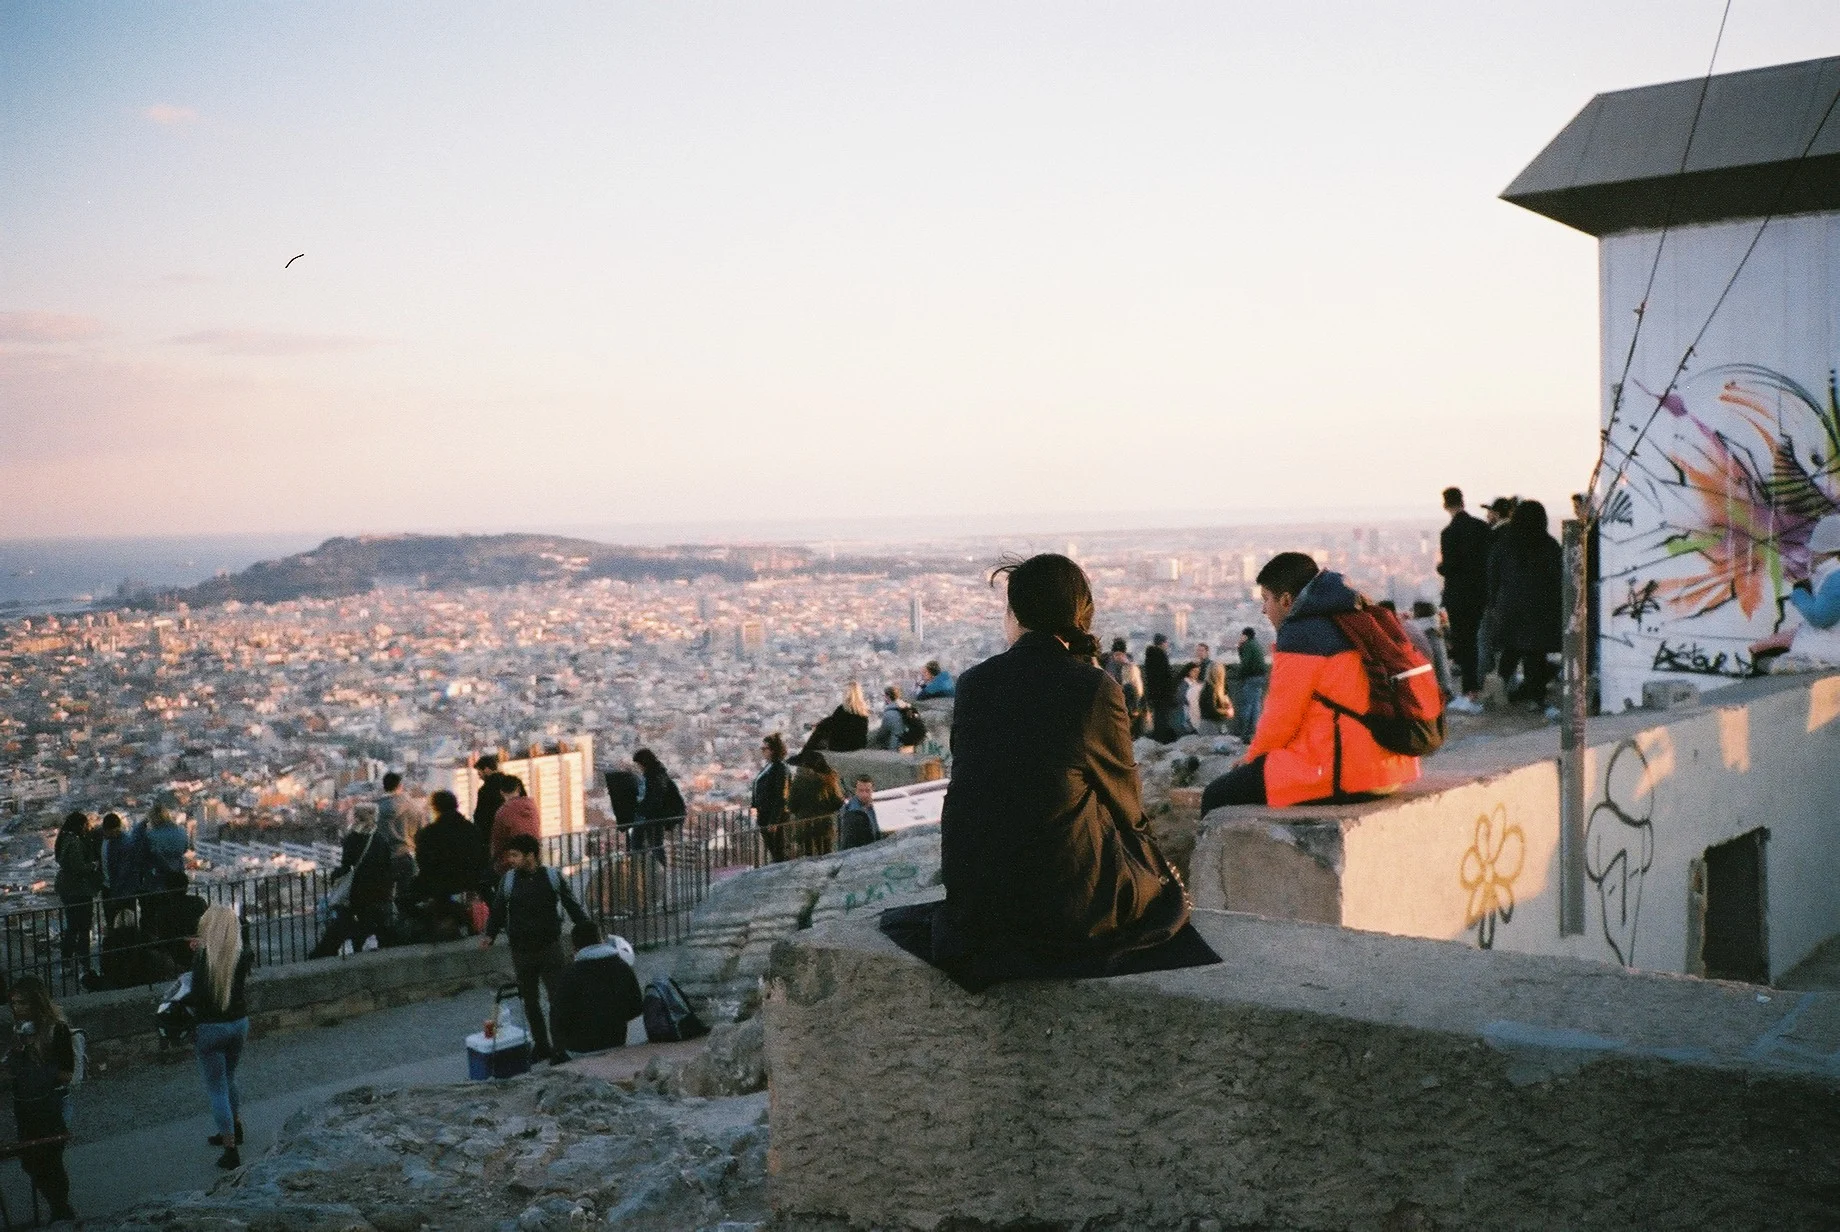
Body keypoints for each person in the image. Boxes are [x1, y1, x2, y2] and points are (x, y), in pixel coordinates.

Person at [928, 553, 1192, 988]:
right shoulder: (1093, 689)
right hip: (1067, 907)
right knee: (1161, 891)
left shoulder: (974, 683)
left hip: (977, 903)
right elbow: (1126, 802)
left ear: (1014, 615)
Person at [1201, 553, 1422, 810]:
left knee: (1216, 796)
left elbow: (1281, 718)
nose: (1263, 609)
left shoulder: (1301, 635)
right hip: (1392, 768)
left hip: (1346, 772)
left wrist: (1251, 759)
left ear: (1285, 600)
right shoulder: (1356, 617)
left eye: (1266, 599)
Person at [483, 833, 593, 1066]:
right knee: (530, 1002)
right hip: (522, 950)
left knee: (556, 999)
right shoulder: (509, 881)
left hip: (549, 947)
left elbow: (571, 904)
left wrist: (587, 931)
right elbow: (498, 910)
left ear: (530, 855)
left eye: (514, 855)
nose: (510, 860)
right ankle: (542, 1046)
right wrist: (489, 935)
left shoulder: (552, 877)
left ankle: (560, 1047)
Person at [184, 905, 254, 1168]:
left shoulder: (204, 959)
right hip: (238, 1023)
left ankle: (230, 1148)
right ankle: (236, 1127)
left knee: (217, 1088)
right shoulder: (242, 955)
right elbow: (236, 945)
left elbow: (197, 995)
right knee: (229, 1078)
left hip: (211, 1027)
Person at [5, 976, 76, 1221]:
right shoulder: (20, 1032)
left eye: (23, 1003)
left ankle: (61, 1209)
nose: (17, 1008)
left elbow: (67, 1073)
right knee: (29, 1160)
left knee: (50, 1160)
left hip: (52, 1104)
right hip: (27, 1105)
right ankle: (58, 1206)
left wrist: (36, 1065)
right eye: (14, 1003)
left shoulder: (57, 1029)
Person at [1487, 500, 1564, 709]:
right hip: (1540, 608)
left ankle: (1498, 687)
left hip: (1508, 607)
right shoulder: (1549, 545)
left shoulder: (1503, 545)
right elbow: (1558, 579)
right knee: (1534, 653)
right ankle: (1535, 698)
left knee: (1510, 649)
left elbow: (1493, 577)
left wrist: (1495, 604)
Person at [1750, 514, 1840, 665]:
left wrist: (1799, 594)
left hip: (1828, 649)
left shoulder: (1835, 577)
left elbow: (1820, 618)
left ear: (1824, 550)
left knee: (1764, 656)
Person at [309, 805, 395, 958]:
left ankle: (338, 948)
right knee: (369, 919)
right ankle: (369, 942)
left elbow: (346, 864)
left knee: (346, 918)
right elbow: (388, 864)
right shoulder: (381, 838)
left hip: (359, 888)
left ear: (356, 818)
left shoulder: (352, 838)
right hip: (379, 889)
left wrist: (335, 877)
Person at [1438, 487, 1493, 714]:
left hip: (1459, 596)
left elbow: (1450, 566)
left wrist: (1440, 567)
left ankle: (1470, 690)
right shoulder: (1481, 528)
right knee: (1478, 640)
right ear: (1463, 501)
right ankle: (1474, 688)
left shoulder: (1448, 533)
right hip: (1480, 593)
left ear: (1446, 506)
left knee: (1464, 643)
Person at [551, 922, 643, 1055]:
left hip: (580, 1048)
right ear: (600, 940)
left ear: (574, 946)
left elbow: (559, 1017)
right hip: (617, 1041)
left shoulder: (570, 975)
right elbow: (636, 1008)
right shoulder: (622, 967)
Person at [413, 790, 486, 938]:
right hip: (471, 882)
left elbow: (424, 864)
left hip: (441, 887)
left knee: (407, 898)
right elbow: (482, 857)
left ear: (435, 808)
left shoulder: (429, 833)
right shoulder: (471, 830)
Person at [54, 811, 102, 989]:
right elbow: (79, 867)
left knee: (72, 927)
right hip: (79, 889)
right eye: (85, 824)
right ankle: (84, 964)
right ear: (80, 825)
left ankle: (67, 962)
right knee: (82, 928)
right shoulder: (74, 842)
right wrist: (93, 865)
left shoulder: (65, 839)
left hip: (68, 889)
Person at [138, 804, 191, 943]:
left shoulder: (150, 835)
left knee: (152, 918)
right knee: (174, 915)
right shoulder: (181, 831)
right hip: (178, 879)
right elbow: (185, 849)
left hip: (156, 881)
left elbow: (141, 853)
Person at [375, 771, 424, 906]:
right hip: (405, 856)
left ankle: (387, 924)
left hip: (382, 858)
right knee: (406, 898)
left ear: (384, 786)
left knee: (384, 899)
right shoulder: (414, 807)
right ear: (400, 786)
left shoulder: (375, 809)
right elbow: (422, 835)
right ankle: (404, 924)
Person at [630, 749, 687, 863]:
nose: (639, 767)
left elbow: (654, 798)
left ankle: (642, 867)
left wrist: (641, 811)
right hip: (665, 812)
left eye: (639, 764)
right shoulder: (658, 773)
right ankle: (655, 868)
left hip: (660, 814)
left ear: (643, 763)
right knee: (655, 843)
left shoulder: (654, 776)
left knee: (644, 840)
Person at [788, 750, 845, 859]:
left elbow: (791, 806)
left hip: (804, 827)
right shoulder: (828, 779)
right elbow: (837, 803)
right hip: (824, 826)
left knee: (807, 860)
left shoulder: (798, 781)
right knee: (826, 858)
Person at [751, 734, 792, 862]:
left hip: (773, 816)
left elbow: (781, 796)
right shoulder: (770, 766)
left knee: (778, 849)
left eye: (765, 748)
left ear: (773, 750)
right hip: (765, 813)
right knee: (773, 848)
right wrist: (754, 805)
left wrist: (774, 820)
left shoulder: (780, 768)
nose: (762, 751)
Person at [802, 682, 871, 755]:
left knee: (821, 730)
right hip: (859, 745)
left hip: (842, 747)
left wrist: (817, 725)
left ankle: (806, 753)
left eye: (844, 691)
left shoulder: (843, 709)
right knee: (825, 724)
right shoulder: (863, 710)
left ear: (847, 694)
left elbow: (832, 723)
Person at [489, 775, 540, 873]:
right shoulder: (532, 806)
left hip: (512, 862)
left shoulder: (503, 811)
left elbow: (497, 840)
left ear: (501, 792)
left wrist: (496, 862)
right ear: (519, 789)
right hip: (532, 858)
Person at [1105, 639, 1147, 738]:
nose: (1118, 657)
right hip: (1121, 699)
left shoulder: (1129, 666)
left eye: (1120, 654)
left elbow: (1136, 685)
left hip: (1129, 700)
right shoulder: (1111, 664)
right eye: (1116, 654)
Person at [1232, 627, 1269, 740]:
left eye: (1242, 636)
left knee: (1247, 706)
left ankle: (1245, 733)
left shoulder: (1247, 645)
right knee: (1256, 705)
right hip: (1261, 677)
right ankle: (1255, 733)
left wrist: (1239, 676)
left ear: (1245, 636)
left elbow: (1245, 663)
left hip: (1251, 678)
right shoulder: (1256, 644)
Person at [471, 754, 506, 861]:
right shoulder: (510, 783)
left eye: (479, 772)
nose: (479, 775)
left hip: (492, 838)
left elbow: (481, 817)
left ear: (486, 769)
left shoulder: (485, 790)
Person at [1142, 634, 1176, 742]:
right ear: (1163, 643)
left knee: (1158, 717)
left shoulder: (1150, 656)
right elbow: (1165, 676)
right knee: (1163, 718)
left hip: (1154, 693)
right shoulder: (1161, 655)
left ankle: (1158, 737)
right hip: (1162, 693)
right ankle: (1162, 738)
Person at [836, 775, 883, 850]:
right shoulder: (851, 812)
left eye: (867, 790)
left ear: (872, 790)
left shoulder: (872, 808)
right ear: (855, 791)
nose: (864, 794)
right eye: (860, 791)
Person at [875, 686, 914, 751]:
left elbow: (882, 735)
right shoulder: (908, 708)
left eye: (884, 696)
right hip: (910, 747)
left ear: (888, 697)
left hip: (896, 749)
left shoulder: (889, 714)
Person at [1170, 662, 1202, 738]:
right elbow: (1180, 697)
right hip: (1185, 712)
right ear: (1189, 671)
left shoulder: (1197, 683)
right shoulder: (1183, 683)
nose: (1196, 673)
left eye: (1198, 672)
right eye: (1194, 671)